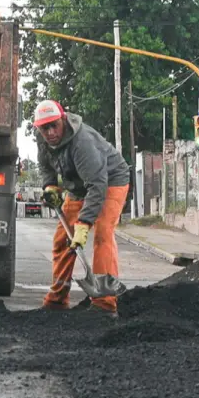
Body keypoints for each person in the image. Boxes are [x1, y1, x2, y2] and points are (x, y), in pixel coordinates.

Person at [33, 99, 131, 315]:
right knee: (62, 240)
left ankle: (104, 303)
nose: (49, 132)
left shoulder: (82, 142)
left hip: (111, 180)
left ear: (63, 120)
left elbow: (97, 184)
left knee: (103, 234)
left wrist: (84, 223)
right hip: (78, 188)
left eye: (53, 125)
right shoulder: (43, 141)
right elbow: (45, 166)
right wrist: (50, 186)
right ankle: (57, 300)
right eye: (44, 128)